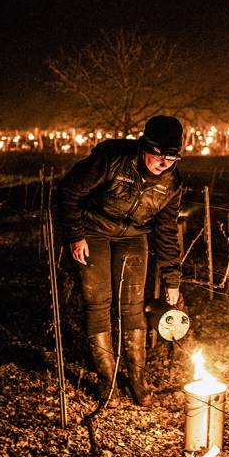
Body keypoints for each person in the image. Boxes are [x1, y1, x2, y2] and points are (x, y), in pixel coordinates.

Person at [55, 115, 186, 407]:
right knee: (98, 300)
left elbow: (166, 230)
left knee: (132, 305)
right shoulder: (112, 159)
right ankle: (107, 381)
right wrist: (75, 235)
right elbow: (69, 191)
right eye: (159, 155)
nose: (164, 163)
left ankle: (137, 380)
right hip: (93, 231)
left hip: (133, 237)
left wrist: (172, 280)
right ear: (144, 146)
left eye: (171, 157)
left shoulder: (172, 183)